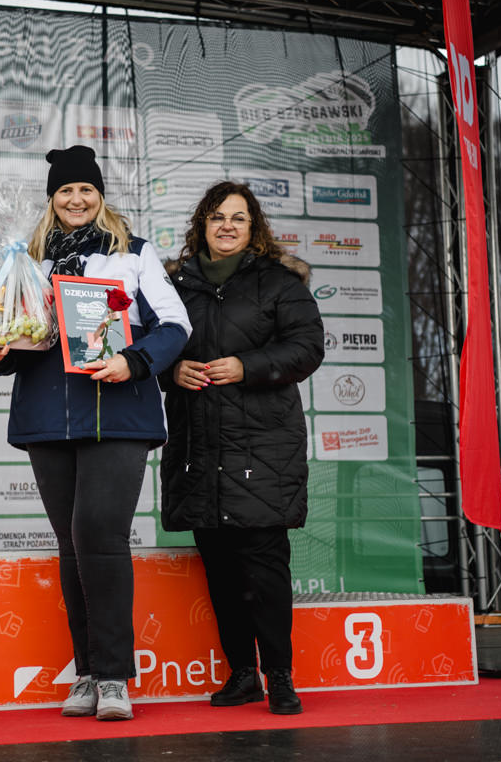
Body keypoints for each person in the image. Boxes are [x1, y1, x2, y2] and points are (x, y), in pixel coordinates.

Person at [0, 145, 191, 721]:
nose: (76, 198)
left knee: (99, 536)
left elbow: (175, 324)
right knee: (71, 544)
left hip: (119, 417)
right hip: (48, 420)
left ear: (100, 196)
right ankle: (86, 672)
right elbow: (13, 347)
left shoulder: (133, 254)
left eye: (86, 189)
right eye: (65, 190)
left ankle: (113, 677)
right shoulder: (26, 261)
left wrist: (133, 361)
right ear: (52, 199)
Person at [159, 180, 324, 715]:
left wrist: (246, 366)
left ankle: (280, 676)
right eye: (216, 217)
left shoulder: (280, 282)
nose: (226, 226)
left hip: (262, 450)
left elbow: (308, 347)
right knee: (222, 571)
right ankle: (242, 675)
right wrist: (171, 370)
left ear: (254, 228)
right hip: (198, 449)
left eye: (238, 218)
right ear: (201, 225)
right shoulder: (173, 285)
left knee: (265, 571)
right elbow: (146, 348)